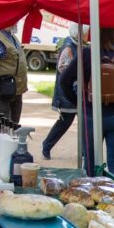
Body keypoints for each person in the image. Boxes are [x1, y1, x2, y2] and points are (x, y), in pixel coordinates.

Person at [59, 27, 114, 178]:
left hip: (90, 114)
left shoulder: (86, 54)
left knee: (90, 164)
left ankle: (90, 198)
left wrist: (79, 103)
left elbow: (65, 80)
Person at [42, 26, 86, 160]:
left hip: (75, 91)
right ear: (79, 34)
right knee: (65, 121)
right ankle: (47, 145)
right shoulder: (68, 47)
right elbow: (64, 70)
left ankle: (85, 152)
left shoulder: (76, 44)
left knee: (84, 121)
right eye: (86, 33)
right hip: (69, 92)